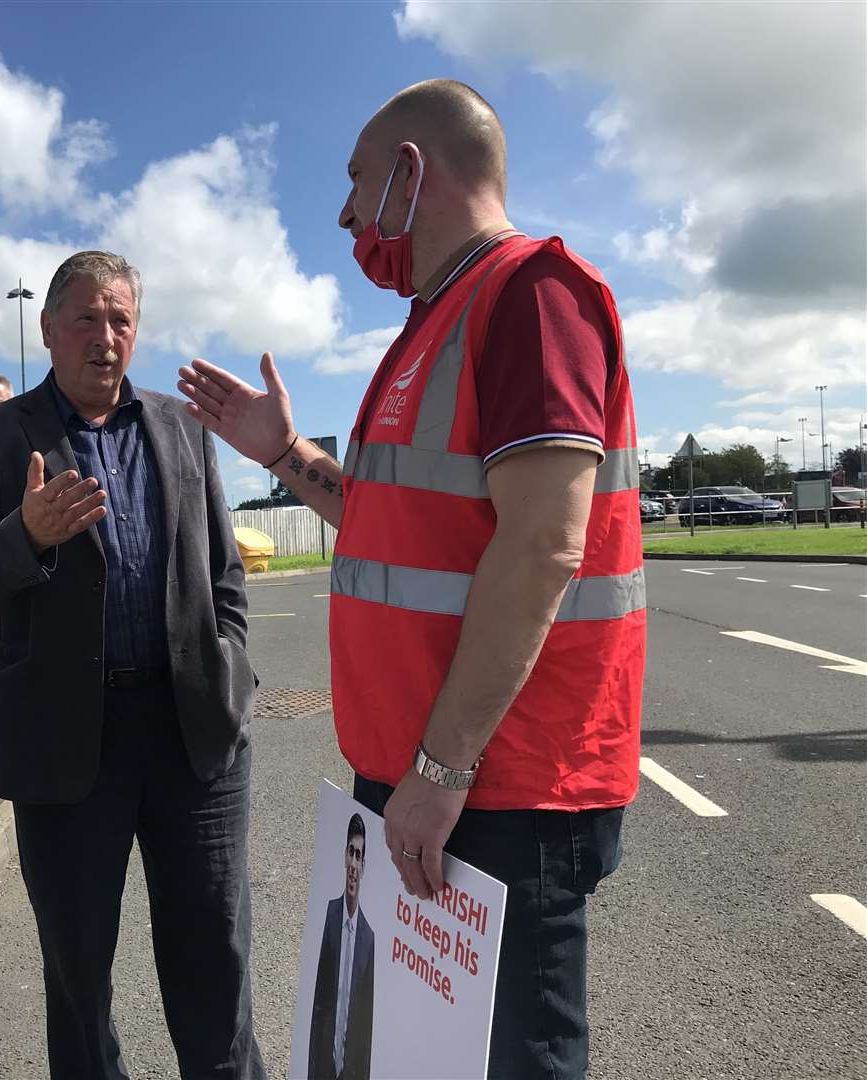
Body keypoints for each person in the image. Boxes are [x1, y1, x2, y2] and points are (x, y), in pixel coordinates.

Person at [179, 79, 643, 1080]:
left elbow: (540, 547)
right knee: (426, 1056)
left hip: (502, 783)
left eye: (355, 181)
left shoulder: (533, 294)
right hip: (433, 774)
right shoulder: (431, 325)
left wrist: (440, 773)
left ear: (410, 172)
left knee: (520, 1057)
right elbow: (396, 526)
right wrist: (284, 451)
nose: (346, 214)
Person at [0, 250, 265, 1080]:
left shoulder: (182, 425)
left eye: (120, 319)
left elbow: (223, 568)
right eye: (86, 318)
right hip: (67, 742)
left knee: (214, 954)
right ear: (47, 329)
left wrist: (229, 662)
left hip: (192, 730)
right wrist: (28, 535)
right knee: (78, 970)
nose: (105, 336)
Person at [308, 813, 375, 1080]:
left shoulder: (369, 939)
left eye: (359, 856)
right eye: (351, 852)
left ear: (364, 866)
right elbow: (316, 1004)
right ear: (344, 856)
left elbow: (366, 1026)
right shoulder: (328, 915)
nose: (353, 864)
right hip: (322, 1066)